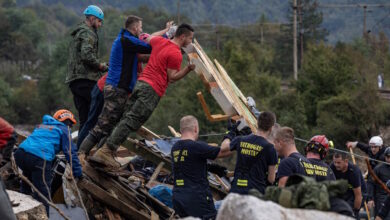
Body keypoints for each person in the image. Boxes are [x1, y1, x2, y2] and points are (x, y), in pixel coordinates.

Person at [90, 24, 196, 169]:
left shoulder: (160, 41)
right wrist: (188, 69)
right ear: (183, 37)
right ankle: (107, 151)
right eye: (190, 38)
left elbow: (146, 37)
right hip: (152, 90)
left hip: (140, 84)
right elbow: (172, 77)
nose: (191, 41)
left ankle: (101, 151)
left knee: (124, 118)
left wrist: (164, 31)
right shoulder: (176, 54)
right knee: (131, 121)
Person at [78, 18, 175, 156]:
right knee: (102, 126)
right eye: (140, 27)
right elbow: (149, 46)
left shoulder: (127, 40)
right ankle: (80, 156)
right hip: (117, 88)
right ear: (135, 28)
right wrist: (168, 35)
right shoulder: (126, 40)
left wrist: (166, 34)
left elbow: (149, 44)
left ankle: (98, 157)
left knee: (110, 126)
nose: (141, 30)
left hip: (118, 88)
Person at [14, 110, 82, 216]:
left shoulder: (42, 126)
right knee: (43, 192)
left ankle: (23, 212)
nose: (71, 127)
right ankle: (43, 216)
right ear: (67, 121)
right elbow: (70, 152)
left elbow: (38, 142)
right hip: (39, 158)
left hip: (20, 154)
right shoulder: (64, 129)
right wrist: (78, 172)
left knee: (26, 182)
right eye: (71, 125)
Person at [171, 115, 231, 219]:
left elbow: (189, 164)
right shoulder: (196, 146)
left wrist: (210, 167)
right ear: (195, 128)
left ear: (181, 130)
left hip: (179, 198)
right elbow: (224, 152)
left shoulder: (175, 148)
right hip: (197, 200)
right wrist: (230, 135)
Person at [66, 5, 108, 133]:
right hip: (86, 79)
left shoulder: (79, 32)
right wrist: (101, 66)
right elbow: (87, 55)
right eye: (99, 21)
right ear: (91, 18)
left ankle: (81, 151)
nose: (100, 24)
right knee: (100, 111)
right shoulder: (88, 32)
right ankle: (95, 147)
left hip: (74, 81)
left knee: (85, 119)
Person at [222, 112, 278, 195]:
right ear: (271, 128)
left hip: (236, 191)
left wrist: (230, 132)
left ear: (257, 123)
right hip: (255, 194)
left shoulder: (240, 139)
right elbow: (271, 179)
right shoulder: (270, 148)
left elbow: (223, 147)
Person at [331, 152, 367, 218]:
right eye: (334, 162)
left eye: (339, 163)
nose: (336, 165)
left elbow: (358, 195)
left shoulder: (354, 171)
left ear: (346, 161)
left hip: (358, 194)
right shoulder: (332, 167)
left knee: (349, 212)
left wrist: (355, 211)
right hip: (344, 190)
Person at [367, 148, 390, 218]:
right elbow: (370, 182)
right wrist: (370, 199)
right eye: (387, 157)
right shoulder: (378, 168)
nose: (389, 159)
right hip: (381, 199)